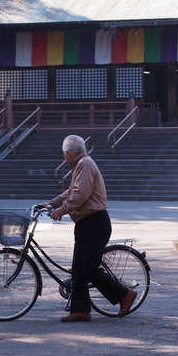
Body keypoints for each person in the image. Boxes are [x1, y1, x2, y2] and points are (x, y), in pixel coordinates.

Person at [45, 135, 137, 322]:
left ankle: (124, 294)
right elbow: (71, 192)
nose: (64, 155)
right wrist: (51, 203)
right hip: (86, 223)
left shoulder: (85, 164)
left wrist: (62, 210)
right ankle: (81, 310)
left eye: (64, 152)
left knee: (89, 269)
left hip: (94, 223)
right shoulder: (80, 164)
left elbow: (80, 195)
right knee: (78, 269)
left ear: (68, 153)